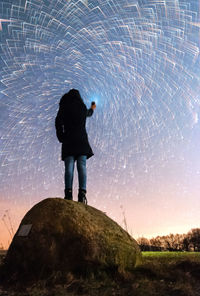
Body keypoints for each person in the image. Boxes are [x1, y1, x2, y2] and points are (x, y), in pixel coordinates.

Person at [55, 89, 96, 203]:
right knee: (82, 166)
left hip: (68, 140)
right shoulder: (82, 107)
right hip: (81, 141)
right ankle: (82, 195)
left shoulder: (64, 107)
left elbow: (58, 121)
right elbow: (89, 113)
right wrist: (93, 107)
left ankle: (68, 194)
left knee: (69, 167)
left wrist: (61, 136)